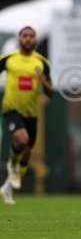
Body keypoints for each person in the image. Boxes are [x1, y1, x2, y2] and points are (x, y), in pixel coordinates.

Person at [0, 26, 53, 204]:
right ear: (19, 39)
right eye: (25, 36)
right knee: (22, 140)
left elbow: (50, 92)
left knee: (27, 153)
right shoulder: (9, 59)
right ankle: (11, 166)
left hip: (31, 113)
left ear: (35, 40)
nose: (28, 39)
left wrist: (43, 80)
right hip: (11, 109)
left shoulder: (42, 62)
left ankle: (7, 187)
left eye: (31, 36)